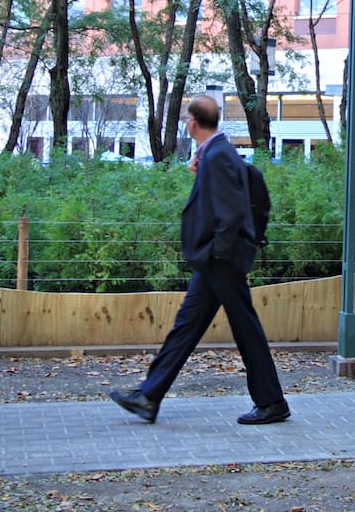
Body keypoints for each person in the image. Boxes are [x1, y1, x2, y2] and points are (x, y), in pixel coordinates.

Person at [109, 94, 290, 425]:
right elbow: (223, 201)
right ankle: (148, 397)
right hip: (216, 261)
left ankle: (272, 402)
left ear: (192, 124)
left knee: (245, 329)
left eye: (186, 121)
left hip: (221, 260)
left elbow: (231, 214)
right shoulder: (217, 153)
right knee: (187, 327)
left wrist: (215, 254)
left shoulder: (218, 156)